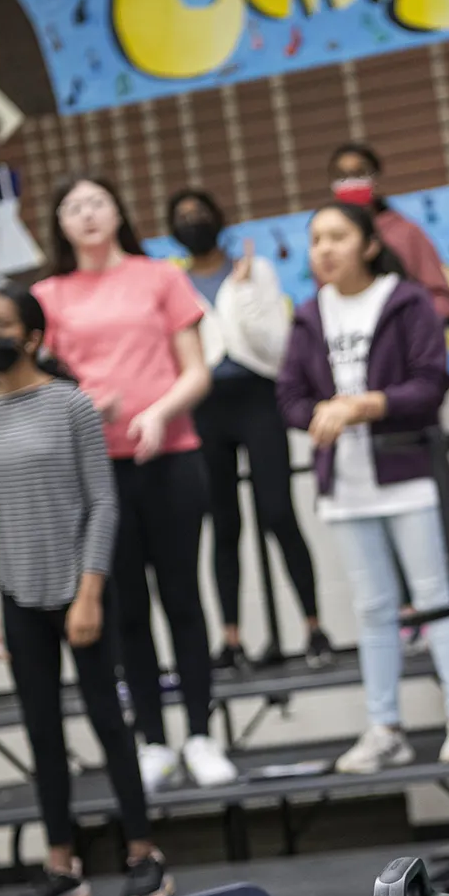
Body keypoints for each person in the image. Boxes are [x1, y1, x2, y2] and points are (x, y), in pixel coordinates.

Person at [0, 286, 176, 896]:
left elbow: (103, 503)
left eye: (0, 322)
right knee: (41, 730)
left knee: (110, 722)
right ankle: (62, 867)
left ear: (31, 336)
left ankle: (142, 853)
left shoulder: (70, 404)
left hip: (78, 592)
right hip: (19, 597)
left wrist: (90, 591)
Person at [33, 176, 236, 790]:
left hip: (172, 456)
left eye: (97, 202)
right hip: (96, 472)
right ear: (60, 225)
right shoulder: (47, 295)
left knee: (182, 598)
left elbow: (197, 372)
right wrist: (81, 406)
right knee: (126, 610)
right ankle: (151, 739)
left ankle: (200, 734)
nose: (87, 214)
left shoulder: (160, 277)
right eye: (72, 206)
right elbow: (38, 383)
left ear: (119, 211)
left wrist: (158, 412)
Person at [275, 202, 449, 774]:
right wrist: (321, 413)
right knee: (373, 607)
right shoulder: (311, 314)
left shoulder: (405, 300)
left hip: (408, 475)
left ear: (367, 243)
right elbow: (288, 397)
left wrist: (367, 404)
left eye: (337, 236)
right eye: (315, 240)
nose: (324, 249)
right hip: (346, 485)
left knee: (436, 598)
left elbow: (431, 384)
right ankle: (384, 727)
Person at [168, 187, 331, 675]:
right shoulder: (172, 284)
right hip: (205, 407)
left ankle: (314, 627)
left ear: (220, 218)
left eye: (201, 212)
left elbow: (277, 345)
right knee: (224, 525)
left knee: (278, 513)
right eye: (182, 216)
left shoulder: (254, 270)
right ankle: (232, 638)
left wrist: (240, 293)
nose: (193, 221)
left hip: (258, 398)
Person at [328, 143, 449, 321]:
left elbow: (441, 300)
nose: (350, 182)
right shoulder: (327, 245)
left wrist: (412, 326)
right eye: (341, 176)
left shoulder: (406, 233)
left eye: (359, 174)